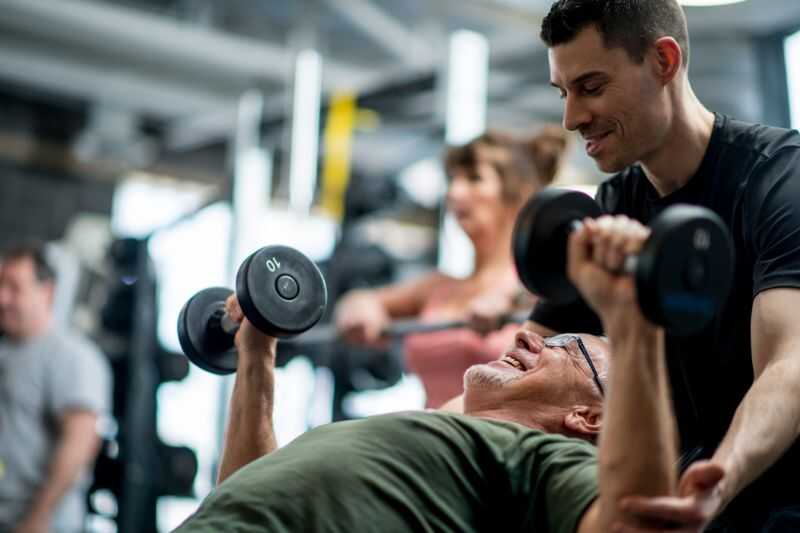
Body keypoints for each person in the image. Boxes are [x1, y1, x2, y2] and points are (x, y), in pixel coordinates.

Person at [172, 219, 715, 533]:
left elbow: (629, 526)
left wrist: (633, 320)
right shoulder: (426, 437)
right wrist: (257, 353)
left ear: (588, 416)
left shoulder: (538, 463)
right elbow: (241, 489)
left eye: (566, 347)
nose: (527, 336)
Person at [517, 1, 800, 530]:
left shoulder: (779, 181)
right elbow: (526, 355)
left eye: (592, 87)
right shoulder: (612, 206)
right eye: (564, 93)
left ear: (663, 62)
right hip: (678, 501)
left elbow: (791, 366)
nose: (572, 118)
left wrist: (720, 477)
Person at [335, 127, 569, 408]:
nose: (454, 192)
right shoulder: (439, 287)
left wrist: (513, 301)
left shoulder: (540, 286)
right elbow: (361, 300)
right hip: (431, 441)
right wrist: (358, 306)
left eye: (474, 179)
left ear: (518, 192)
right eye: (453, 179)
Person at [0, 244, 111, 533]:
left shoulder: (72, 357)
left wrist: (38, 519)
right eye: (0, 285)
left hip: (42, 525)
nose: (2, 298)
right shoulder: (7, 351)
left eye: (14, 287)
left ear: (46, 292)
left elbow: (79, 443)